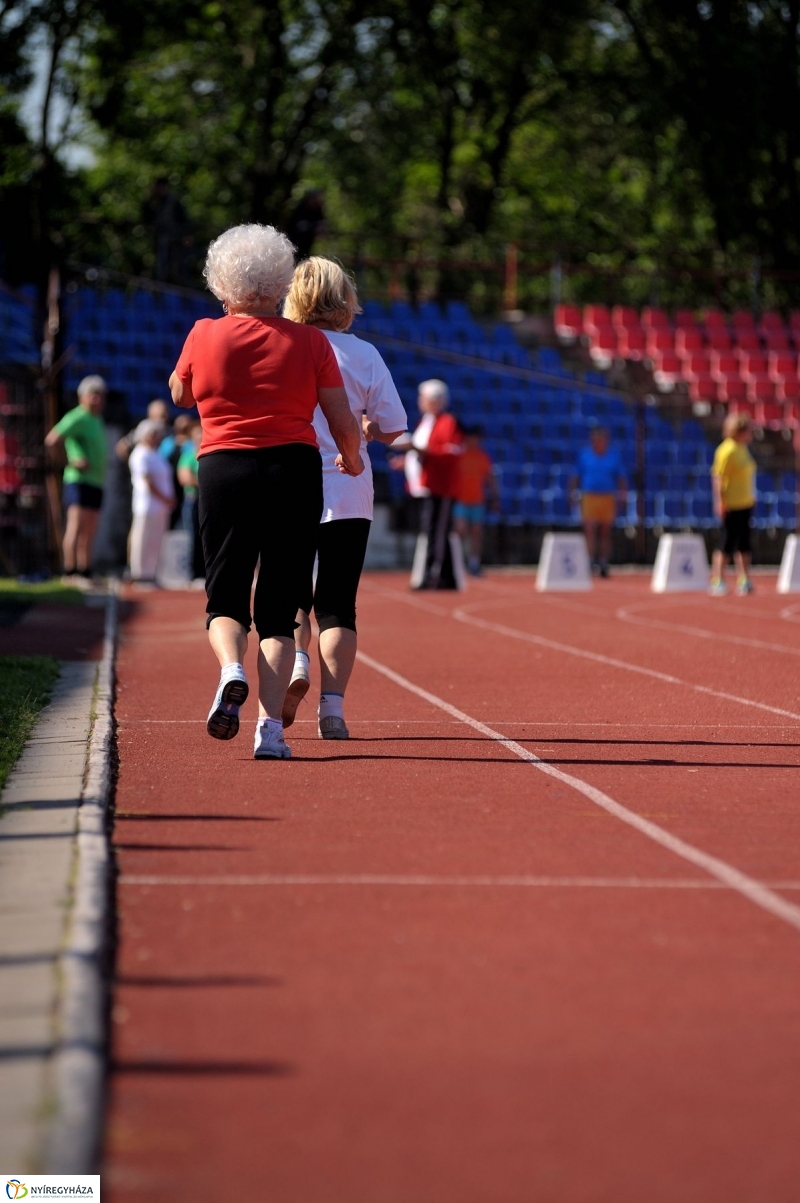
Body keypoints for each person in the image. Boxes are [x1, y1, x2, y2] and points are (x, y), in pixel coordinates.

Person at [169, 222, 362, 760]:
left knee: (226, 596)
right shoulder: (312, 340)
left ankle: (231, 669)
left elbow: (180, 395)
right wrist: (351, 455)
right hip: (293, 470)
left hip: (224, 467)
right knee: (279, 609)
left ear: (222, 283)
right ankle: (270, 733)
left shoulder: (203, 333)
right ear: (280, 284)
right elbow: (340, 415)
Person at [280, 256, 407, 739]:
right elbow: (394, 427)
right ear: (344, 300)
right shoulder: (364, 353)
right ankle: (332, 710)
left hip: (288, 483)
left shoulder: (283, 344)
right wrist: (368, 429)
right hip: (348, 488)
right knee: (337, 605)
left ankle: (295, 660)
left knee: (290, 596)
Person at [394, 379, 463, 589]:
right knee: (435, 531)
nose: (420, 401)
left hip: (439, 486)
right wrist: (407, 460)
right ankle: (447, 576)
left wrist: (420, 451)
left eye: (423, 398)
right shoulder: (426, 421)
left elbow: (450, 452)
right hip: (425, 486)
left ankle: (433, 576)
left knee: (436, 532)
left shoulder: (447, 422)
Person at [44, 375, 107, 585]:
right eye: (93, 395)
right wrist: (68, 462)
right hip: (78, 481)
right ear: (82, 397)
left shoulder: (96, 419)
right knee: (75, 527)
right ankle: (69, 572)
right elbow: (52, 439)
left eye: (100, 396)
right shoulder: (77, 416)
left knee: (89, 530)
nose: (97, 400)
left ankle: (85, 571)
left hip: (96, 482)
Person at [569, 426, 627, 578]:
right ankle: (589, 562)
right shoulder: (585, 455)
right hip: (589, 497)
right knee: (590, 530)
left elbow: (621, 478)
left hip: (607, 497)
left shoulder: (613, 456)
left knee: (605, 532)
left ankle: (603, 562)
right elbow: (575, 476)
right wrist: (572, 495)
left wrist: (622, 496)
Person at [709, 412, 756, 596]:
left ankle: (744, 579)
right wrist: (720, 501)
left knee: (744, 543)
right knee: (727, 542)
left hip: (745, 503)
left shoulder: (743, 448)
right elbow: (718, 477)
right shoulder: (726, 450)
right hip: (731, 504)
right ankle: (717, 578)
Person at [128, 419, 175, 583]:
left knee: (156, 540)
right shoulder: (140, 453)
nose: (155, 437)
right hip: (146, 505)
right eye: (151, 434)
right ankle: (140, 574)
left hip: (161, 506)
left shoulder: (156, 453)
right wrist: (164, 497)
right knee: (143, 539)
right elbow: (147, 481)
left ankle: (152, 573)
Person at [453, 425, 498, 576]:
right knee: (460, 530)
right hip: (460, 499)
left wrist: (494, 495)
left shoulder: (482, 457)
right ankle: (456, 561)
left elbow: (490, 477)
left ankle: (474, 562)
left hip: (477, 500)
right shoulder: (459, 455)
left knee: (476, 532)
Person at [176, 421, 205, 581]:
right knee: (194, 536)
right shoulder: (187, 455)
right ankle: (195, 573)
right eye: (197, 433)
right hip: (193, 500)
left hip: (208, 500)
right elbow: (185, 478)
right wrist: (207, 482)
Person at [115, 398, 171, 463]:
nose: (165, 419)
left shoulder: (170, 433)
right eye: (162, 416)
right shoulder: (143, 430)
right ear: (151, 415)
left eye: (166, 414)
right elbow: (121, 447)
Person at [286, 190, 326, 260]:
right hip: (295, 240)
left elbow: (321, 222)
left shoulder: (318, 210)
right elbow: (299, 226)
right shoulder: (300, 209)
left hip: (309, 241)